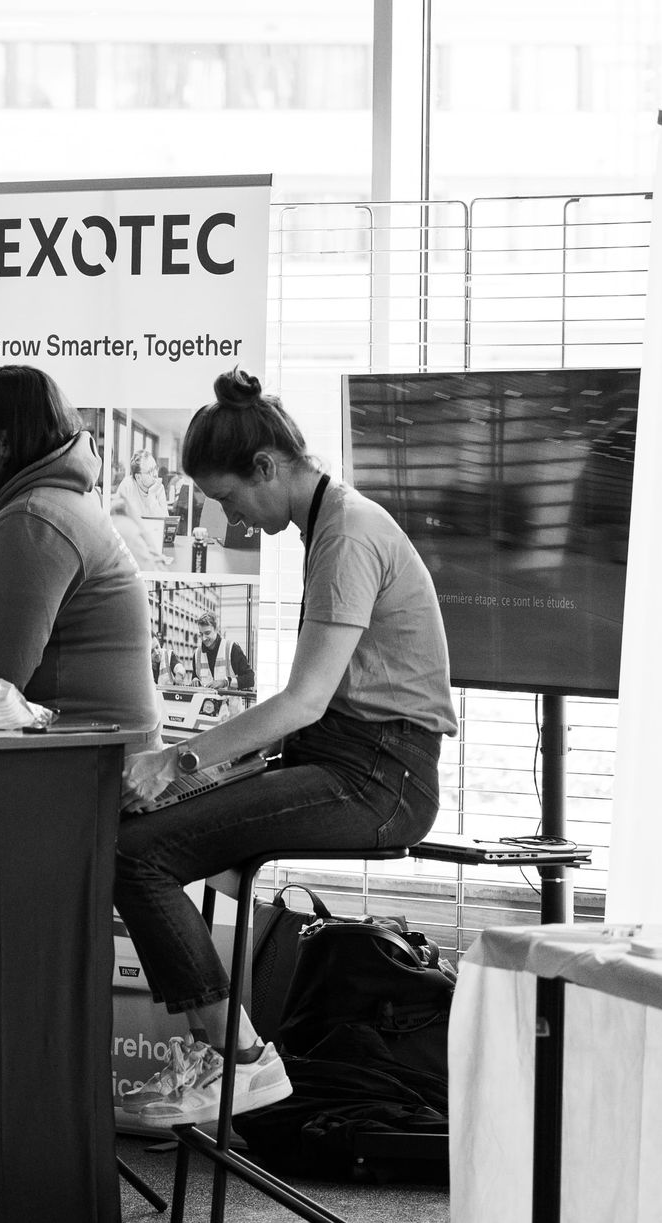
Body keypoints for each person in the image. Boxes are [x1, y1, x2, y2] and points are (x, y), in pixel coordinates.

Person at [115, 369, 455, 1128]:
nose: (229, 515)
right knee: (131, 836)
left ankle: (238, 1060)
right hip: (347, 757)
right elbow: (323, 705)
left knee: (135, 856)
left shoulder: (349, 533)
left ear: (266, 467)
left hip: (380, 779)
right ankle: (221, 1055)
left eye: (229, 497)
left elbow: (305, 699)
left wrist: (180, 761)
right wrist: (212, 765)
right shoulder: (332, 523)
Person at [0, 365, 158, 740]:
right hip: (76, 745)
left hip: (78, 757)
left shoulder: (32, 522)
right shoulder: (48, 505)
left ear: (6, 440)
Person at [111, 447, 173, 570]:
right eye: (150, 471)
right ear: (138, 477)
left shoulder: (158, 488)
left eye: (155, 468)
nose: (155, 474)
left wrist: (151, 497)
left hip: (154, 545)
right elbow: (116, 521)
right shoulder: (127, 485)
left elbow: (165, 524)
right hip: (132, 545)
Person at [194, 609, 254, 693]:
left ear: (216, 629)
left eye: (207, 633)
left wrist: (226, 682)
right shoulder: (197, 654)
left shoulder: (232, 649)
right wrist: (195, 680)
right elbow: (196, 676)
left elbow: (250, 679)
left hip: (229, 701)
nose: (203, 638)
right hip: (206, 701)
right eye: (201, 634)